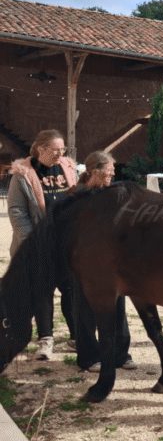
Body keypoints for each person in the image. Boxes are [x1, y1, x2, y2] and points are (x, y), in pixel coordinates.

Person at [7, 129, 78, 360]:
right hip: (39, 245)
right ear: (40, 149)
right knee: (43, 292)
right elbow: (17, 212)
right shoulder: (23, 174)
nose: (61, 154)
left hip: (66, 243)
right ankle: (46, 340)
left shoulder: (68, 168)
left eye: (63, 149)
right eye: (56, 150)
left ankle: (77, 337)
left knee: (71, 291)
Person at [70, 151, 137, 371]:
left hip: (112, 262)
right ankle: (89, 358)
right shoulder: (76, 195)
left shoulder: (114, 194)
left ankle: (120, 355)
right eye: (109, 170)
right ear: (94, 171)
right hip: (85, 263)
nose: (112, 174)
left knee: (117, 308)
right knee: (86, 311)